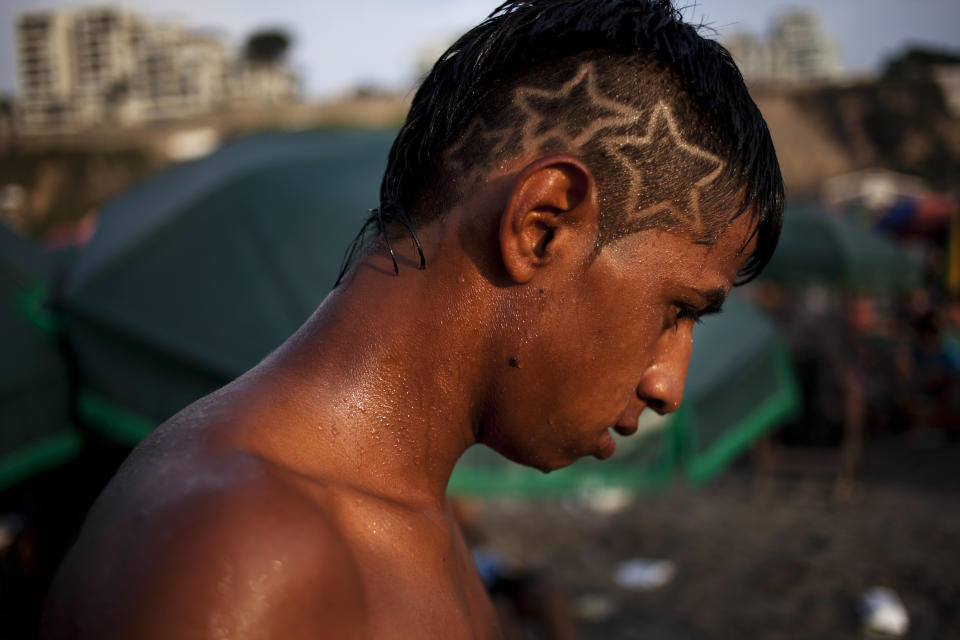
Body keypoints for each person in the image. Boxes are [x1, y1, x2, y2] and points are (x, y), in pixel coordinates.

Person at [42, 0, 783, 637]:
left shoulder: (412, 524)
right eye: (677, 310)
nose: (668, 384)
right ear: (542, 226)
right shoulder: (238, 551)